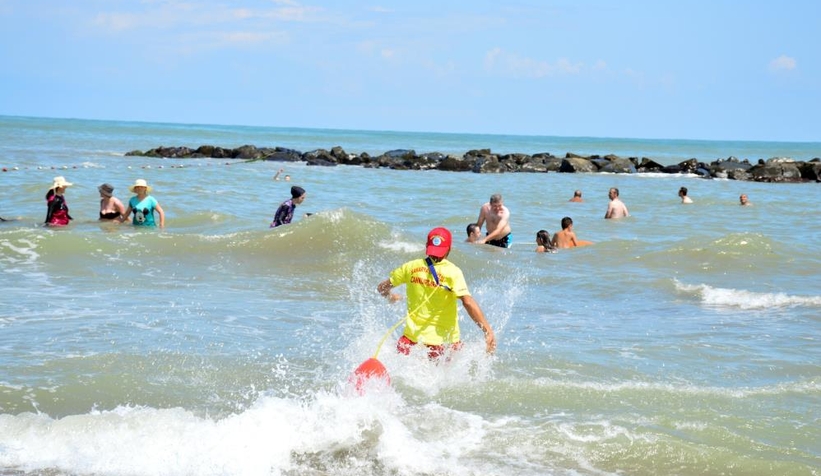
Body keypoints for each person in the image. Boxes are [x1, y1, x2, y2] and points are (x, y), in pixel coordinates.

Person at [377, 227, 496, 359]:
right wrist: (487, 330)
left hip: (411, 342)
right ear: (449, 249)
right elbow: (467, 302)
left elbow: (382, 288)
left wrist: (390, 296)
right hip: (444, 344)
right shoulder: (453, 272)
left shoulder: (410, 267)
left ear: (427, 246)